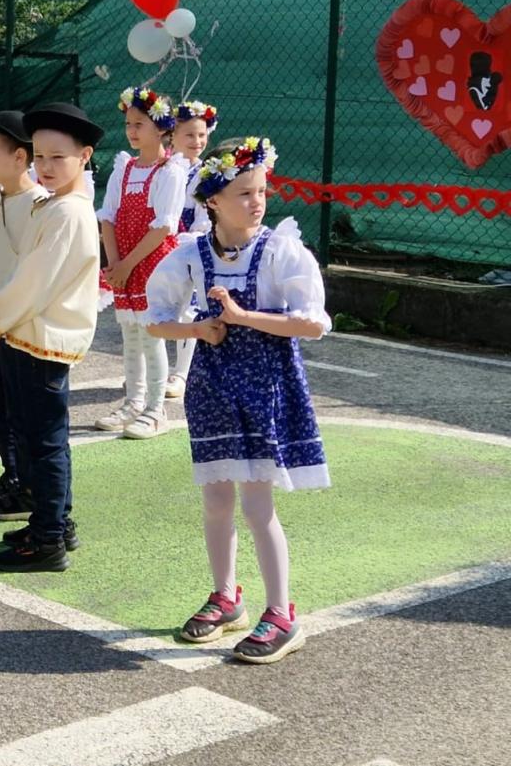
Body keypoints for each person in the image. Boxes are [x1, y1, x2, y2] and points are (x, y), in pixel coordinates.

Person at [145, 136, 329, 664]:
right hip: (213, 387)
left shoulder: (280, 250)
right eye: (244, 192)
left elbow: (313, 323)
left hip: (264, 384)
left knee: (257, 504)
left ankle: (282, 613)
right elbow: (157, 318)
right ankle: (226, 597)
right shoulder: (191, 254)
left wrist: (243, 317)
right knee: (216, 500)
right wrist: (198, 329)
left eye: (261, 191)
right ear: (213, 201)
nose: (257, 201)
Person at [0, 103, 103, 573]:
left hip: (42, 340)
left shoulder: (68, 212)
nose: (46, 167)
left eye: (59, 157)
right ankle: (53, 522)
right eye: (39, 156)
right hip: (31, 337)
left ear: (85, 156)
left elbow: (31, 284)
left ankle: (48, 537)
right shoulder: (52, 204)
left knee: (44, 442)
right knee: (39, 438)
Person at [0, 111, 53, 522]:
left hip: (15, 325)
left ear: (20, 157)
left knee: (22, 416)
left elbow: (30, 275)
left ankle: (28, 488)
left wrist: (0, 317)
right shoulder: (1, 196)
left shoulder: (38, 204)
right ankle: (13, 476)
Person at [95, 86, 187, 440]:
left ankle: (155, 409)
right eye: (128, 124)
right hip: (124, 264)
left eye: (140, 124)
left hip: (152, 264)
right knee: (130, 337)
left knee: (151, 336)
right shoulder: (124, 167)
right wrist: (115, 262)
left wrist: (128, 264)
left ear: (162, 128)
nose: (132, 131)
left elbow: (163, 227)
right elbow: (108, 217)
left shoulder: (170, 171)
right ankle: (133, 402)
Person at [164, 100, 216, 400]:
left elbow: (202, 220)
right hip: (156, 247)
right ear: (172, 136)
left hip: (186, 249)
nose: (197, 141)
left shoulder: (205, 175)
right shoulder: (164, 168)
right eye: (190, 135)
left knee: (186, 310)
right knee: (150, 309)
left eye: (202, 135)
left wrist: (181, 243)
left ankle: (181, 373)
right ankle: (147, 371)